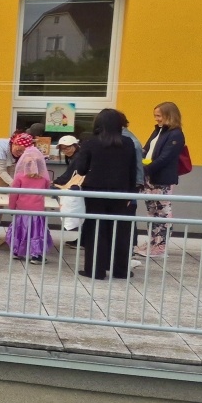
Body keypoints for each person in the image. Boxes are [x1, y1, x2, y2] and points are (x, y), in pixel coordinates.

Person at [70, 109, 138, 280]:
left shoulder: (90, 142)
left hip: (95, 191)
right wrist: (131, 193)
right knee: (120, 231)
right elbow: (133, 171)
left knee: (95, 230)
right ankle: (120, 270)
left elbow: (81, 169)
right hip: (121, 192)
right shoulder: (128, 142)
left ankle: (95, 270)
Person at [139, 101, 186, 258]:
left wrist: (145, 169)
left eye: (159, 116)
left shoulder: (176, 134)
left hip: (162, 179)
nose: (156, 119)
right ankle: (153, 242)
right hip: (151, 177)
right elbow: (146, 149)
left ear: (169, 115)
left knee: (163, 213)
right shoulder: (158, 131)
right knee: (152, 211)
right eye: (155, 116)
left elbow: (166, 158)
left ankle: (160, 246)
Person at [5, 135, 54, 262]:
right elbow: (47, 188)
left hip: (21, 210)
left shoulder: (19, 176)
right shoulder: (44, 178)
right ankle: (36, 255)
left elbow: (14, 194)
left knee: (20, 231)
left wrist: (11, 208)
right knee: (36, 232)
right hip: (37, 211)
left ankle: (17, 251)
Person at [52, 135, 85, 238]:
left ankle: (83, 240)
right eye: (63, 149)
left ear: (75, 146)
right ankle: (83, 239)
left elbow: (69, 174)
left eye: (68, 147)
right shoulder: (76, 156)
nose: (65, 151)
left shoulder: (78, 157)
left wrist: (55, 182)